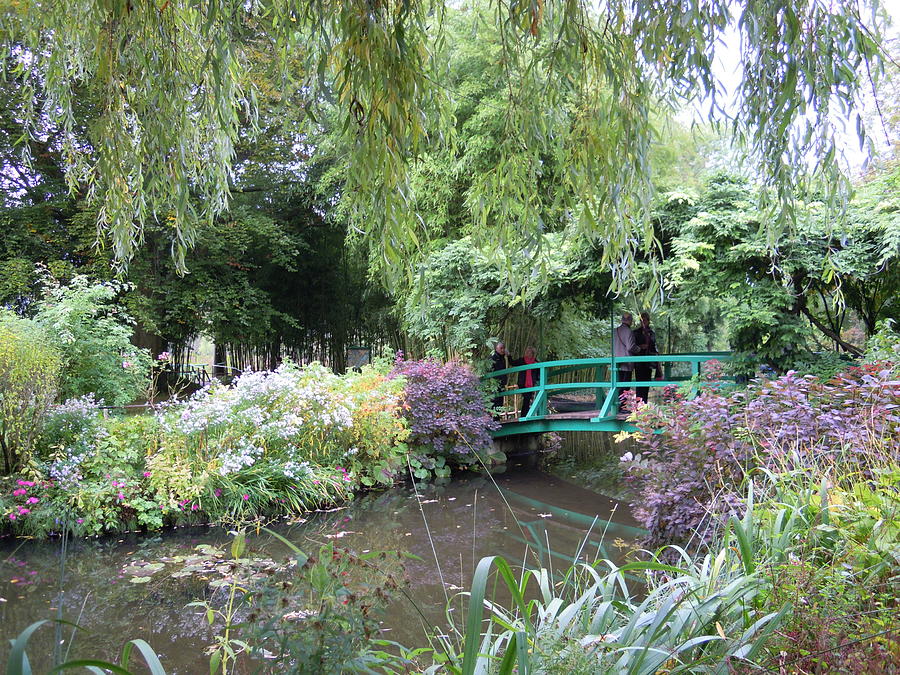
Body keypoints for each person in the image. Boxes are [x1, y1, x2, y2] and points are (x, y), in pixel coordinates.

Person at [632, 311, 663, 403]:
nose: (643, 322)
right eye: (642, 320)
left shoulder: (651, 333)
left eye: (645, 320)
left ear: (648, 321)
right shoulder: (636, 332)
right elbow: (632, 346)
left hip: (649, 361)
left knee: (647, 382)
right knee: (639, 382)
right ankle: (638, 404)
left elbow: (654, 346)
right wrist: (641, 347)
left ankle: (644, 403)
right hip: (639, 361)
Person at [613, 313, 637, 411]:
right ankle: (622, 407)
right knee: (625, 385)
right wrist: (639, 349)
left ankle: (617, 405)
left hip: (617, 362)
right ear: (630, 320)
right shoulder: (628, 331)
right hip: (627, 362)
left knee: (618, 384)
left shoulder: (615, 331)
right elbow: (630, 347)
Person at [512, 346, 540, 418]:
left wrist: (537, 380)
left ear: (532, 354)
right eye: (526, 352)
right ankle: (525, 415)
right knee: (527, 398)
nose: (527, 353)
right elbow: (513, 363)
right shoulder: (522, 360)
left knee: (527, 399)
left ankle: (525, 415)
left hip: (531, 384)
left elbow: (539, 373)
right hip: (522, 383)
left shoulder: (535, 362)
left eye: (529, 352)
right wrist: (508, 355)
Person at [490, 341, 511, 412]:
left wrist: (509, 355)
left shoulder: (503, 358)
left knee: (500, 403)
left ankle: (497, 420)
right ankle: (494, 420)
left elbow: (512, 363)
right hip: (495, 384)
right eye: (501, 348)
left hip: (501, 383)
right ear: (496, 348)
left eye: (503, 348)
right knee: (495, 402)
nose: (502, 350)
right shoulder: (493, 357)